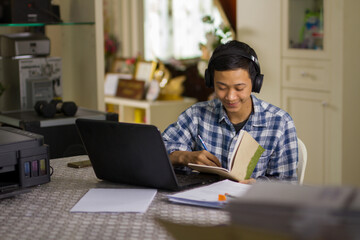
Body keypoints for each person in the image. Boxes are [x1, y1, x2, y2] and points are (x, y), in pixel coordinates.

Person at [162, 40, 298, 184]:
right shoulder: (195, 115)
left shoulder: (280, 123)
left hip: (251, 203)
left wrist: (258, 186)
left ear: (256, 83)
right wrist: (184, 157)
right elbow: (157, 152)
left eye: (239, 88)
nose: (230, 97)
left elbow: (287, 185)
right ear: (211, 81)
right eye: (221, 87)